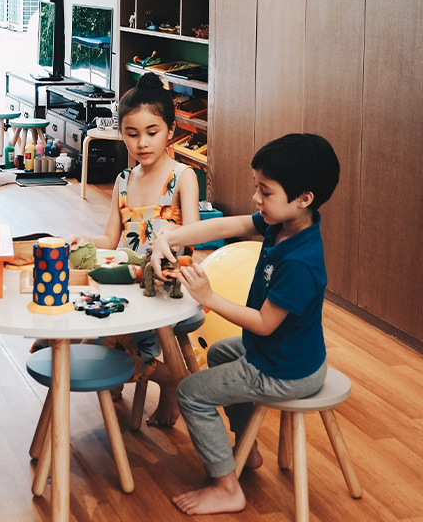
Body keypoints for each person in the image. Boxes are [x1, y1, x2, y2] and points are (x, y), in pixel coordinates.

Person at [150, 132, 340, 515]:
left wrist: (209, 299)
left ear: (303, 199)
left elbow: (265, 324)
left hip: (283, 368)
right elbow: (225, 227)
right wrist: (168, 237)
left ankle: (226, 486)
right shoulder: (285, 224)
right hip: (288, 355)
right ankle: (246, 447)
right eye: (258, 187)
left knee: (190, 392)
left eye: (265, 191)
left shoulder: (301, 261)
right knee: (221, 351)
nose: (257, 198)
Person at [70, 71, 199, 426]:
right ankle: (122, 374)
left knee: (117, 328)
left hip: (165, 281)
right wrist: (83, 239)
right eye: (132, 134)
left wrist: (167, 240)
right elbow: (110, 240)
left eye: (152, 133)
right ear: (121, 134)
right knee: (89, 318)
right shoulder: (124, 180)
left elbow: (193, 236)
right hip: (129, 276)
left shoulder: (183, 177)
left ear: (170, 131)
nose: (142, 143)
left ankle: (169, 381)